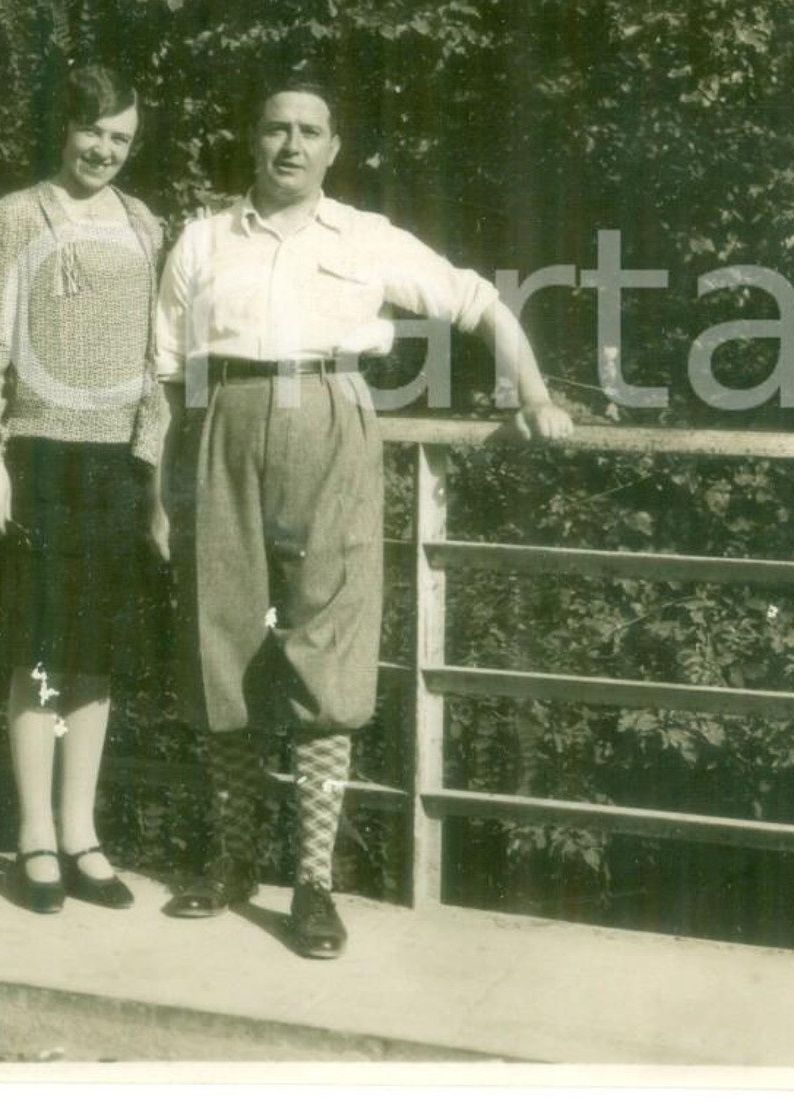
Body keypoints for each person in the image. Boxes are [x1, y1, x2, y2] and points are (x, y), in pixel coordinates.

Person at [153, 75, 572, 957]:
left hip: (333, 417)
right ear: (253, 140)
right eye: (275, 129)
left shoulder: (367, 237)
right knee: (217, 640)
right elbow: (162, 371)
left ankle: (312, 883)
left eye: (310, 130)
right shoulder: (201, 239)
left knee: (327, 645)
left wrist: (531, 391)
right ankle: (231, 862)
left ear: (333, 147)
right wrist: (159, 484)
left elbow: (477, 300)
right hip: (219, 421)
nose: (291, 145)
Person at [0, 63, 164, 914]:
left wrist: (150, 476)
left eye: (121, 138)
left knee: (97, 656)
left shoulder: (145, 223)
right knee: (37, 650)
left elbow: (158, 361)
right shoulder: (17, 215)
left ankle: (82, 833)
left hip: (115, 465)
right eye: (93, 133)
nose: (105, 150)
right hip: (36, 456)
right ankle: (35, 834)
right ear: (63, 129)